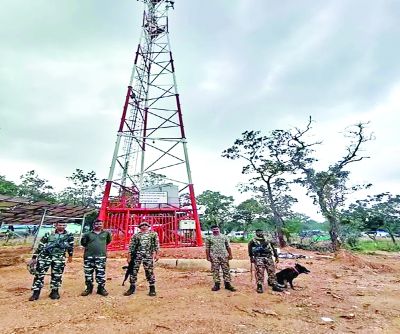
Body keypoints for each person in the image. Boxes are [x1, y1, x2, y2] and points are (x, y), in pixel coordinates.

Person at [28, 222, 74, 301]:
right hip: (45, 257)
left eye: (63, 225)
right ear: (56, 225)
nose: (62, 226)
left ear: (66, 226)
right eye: (60, 225)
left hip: (59, 258)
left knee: (57, 275)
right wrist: (34, 257)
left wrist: (70, 256)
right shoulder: (48, 233)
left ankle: (54, 292)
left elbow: (71, 246)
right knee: (39, 274)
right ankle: (36, 293)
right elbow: (41, 245)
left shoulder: (69, 235)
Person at [124, 220, 160, 297]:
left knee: (149, 271)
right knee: (133, 271)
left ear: (148, 226)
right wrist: (129, 257)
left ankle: (152, 287)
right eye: (142, 225)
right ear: (140, 227)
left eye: (146, 225)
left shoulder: (153, 234)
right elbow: (131, 246)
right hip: (136, 255)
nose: (144, 226)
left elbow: (156, 245)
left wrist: (157, 254)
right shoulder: (136, 235)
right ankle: (132, 287)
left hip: (148, 255)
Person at [80, 220, 112, 297]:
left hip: (101, 257)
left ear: (102, 225)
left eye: (100, 224)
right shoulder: (87, 234)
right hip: (89, 257)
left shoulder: (106, 233)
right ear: (94, 225)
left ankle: (101, 288)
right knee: (88, 273)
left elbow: (108, 241)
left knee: (101, 274)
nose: (99, 225)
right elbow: (83, 243)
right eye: (97, 224)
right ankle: (89, 288)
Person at [205, 225, 236, 292]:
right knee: (215, 270)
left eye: (216, 229)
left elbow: (228, 246)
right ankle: (217, 284)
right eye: (214, 229)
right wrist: (208, 257)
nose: (215, 230)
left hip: (224, 256)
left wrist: (230, 255)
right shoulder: (209, 238)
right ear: (212, 230)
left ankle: (227, 284)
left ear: (219, 229)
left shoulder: (224, 237)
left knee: (226, 270)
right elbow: (207, 248)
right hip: (214, 256)